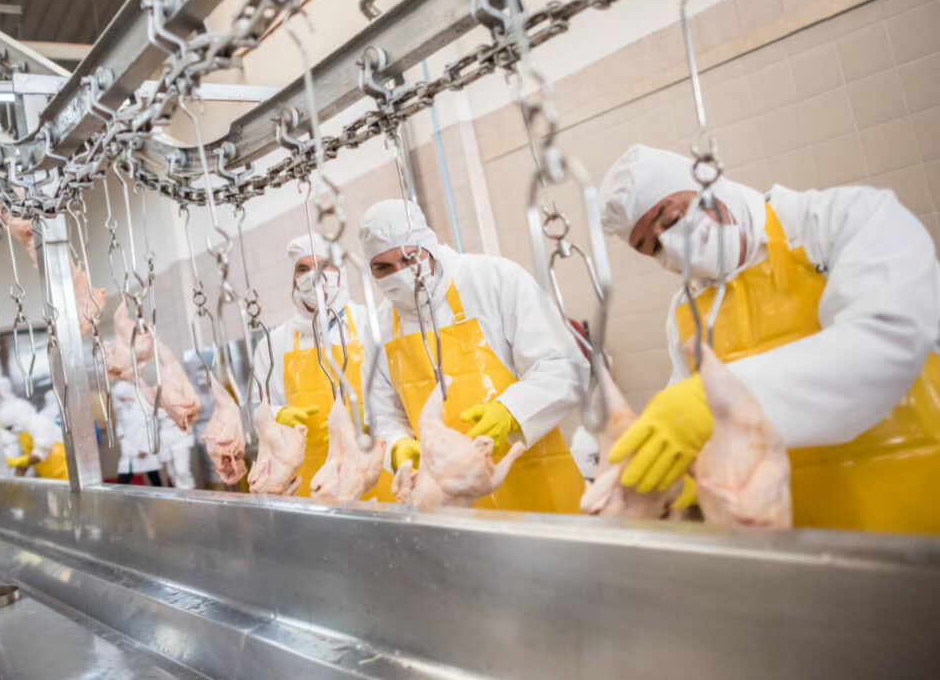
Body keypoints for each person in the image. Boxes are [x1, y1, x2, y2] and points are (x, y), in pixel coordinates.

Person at [597, 143, 940, 533]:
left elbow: (890, 340)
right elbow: (687, 433)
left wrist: (726, 405)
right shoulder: (686, 313)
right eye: (652, 247)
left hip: (923, 518)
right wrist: (675, 487)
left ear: (710, 184)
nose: (671, 245)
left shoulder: (844, 219)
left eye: (673, 218)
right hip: (800, 546)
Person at [359, 198, 588, 513]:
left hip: (537, 489)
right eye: (383, 268)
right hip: (448, 501)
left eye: (409, 258)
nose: (399, 273)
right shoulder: (379, 328)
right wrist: (397, 446)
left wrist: (510, 412)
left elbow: (563, 366)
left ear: (429, 246)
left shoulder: (494, 279)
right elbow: (383, 415)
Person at [252, 233, 392, 499]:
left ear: (338, 271)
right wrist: (278, 416)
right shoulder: (274, 342)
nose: (312, 275)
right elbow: (257, 406)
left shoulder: (372, 322)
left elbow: (398, 392)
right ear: (294, 278)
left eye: (322, 265)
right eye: (302, 268)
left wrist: (373, 411)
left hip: (373, 474)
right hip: (312, 480)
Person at [112, 381, 163, 486]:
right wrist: (120, 435)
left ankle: (162, 498)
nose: (123, 400)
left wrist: (145, 448)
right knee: (124, 475)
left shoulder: (145, 406)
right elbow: (120, 424)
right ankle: (121, 501)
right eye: (121, 399)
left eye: (124, 397)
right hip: (129, 448)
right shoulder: (123, 408)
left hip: (144, 447)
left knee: (153, 476)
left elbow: (152, 426)